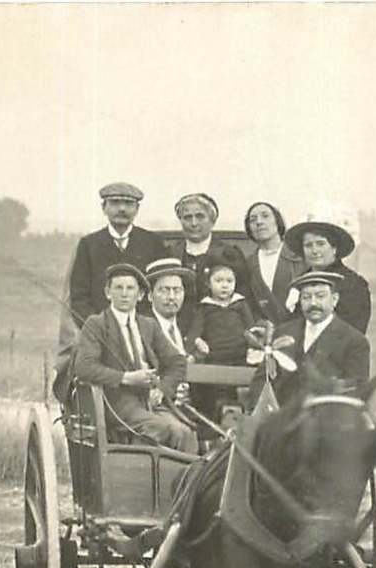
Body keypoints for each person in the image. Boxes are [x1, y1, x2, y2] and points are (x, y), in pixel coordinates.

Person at [71, 263, 194, 453]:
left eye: (130, 288)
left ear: (141, 295)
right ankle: (141, 478)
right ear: (107, 292)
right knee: (161, 428)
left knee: (185, 433)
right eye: (118, 288)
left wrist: (162, 390)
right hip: (116, 404)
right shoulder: (96, 324)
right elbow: (84, 366)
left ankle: (177, 483)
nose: (124, 294)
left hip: (149, 401)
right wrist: (126, 378)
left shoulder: (148, 325)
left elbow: (177, 361)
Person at [66, 182, 167, 328]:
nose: (122, 209)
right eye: (115, 203)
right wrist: (96, 328)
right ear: (103, 208)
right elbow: (79, 297)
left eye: (128, 203)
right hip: (101, 332)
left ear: (137, 209)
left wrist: (147, 328)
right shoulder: (89, 245)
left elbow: (160, 290)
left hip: (145, 330)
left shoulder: (153, 243)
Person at [265, 270, 372, 404]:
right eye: (306, 297)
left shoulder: (353, 341)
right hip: (283, 417)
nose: (313, 303)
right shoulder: (283, 332)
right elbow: (263, 379)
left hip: (325, 417)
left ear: (334, 299)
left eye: (320, 296)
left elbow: (355, 391)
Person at [186, 248, 260, 418]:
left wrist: (255, 346)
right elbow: (194, 332)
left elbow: (251, 329)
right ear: (208, 284)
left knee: (241, 391)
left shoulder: (240, 304)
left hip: (239, 356)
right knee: (213, 392)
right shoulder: (205, 307)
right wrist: (195, 343)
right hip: (215, 357)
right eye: (219, 280)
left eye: (229, 281)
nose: (225, 285)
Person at [168, 193, 250, 329]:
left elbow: (243, 295)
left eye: (200, 217)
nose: (193, 223)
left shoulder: (229, 254)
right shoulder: (171, 253)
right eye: (187, 218)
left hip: (219, 331)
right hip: (179, 328)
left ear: (212, 220)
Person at [283, 220, 372, 333]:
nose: (314, 251)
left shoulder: (353, 284)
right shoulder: (300, 283)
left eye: (320, 244)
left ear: (334, 248)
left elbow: (352, 332)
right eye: (308, 245)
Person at [241, 201, 305, 325]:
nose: (259, 222)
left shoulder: (300, 257)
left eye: (265, 216)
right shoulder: (247, 264)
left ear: (277, 221)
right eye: (253, 220)